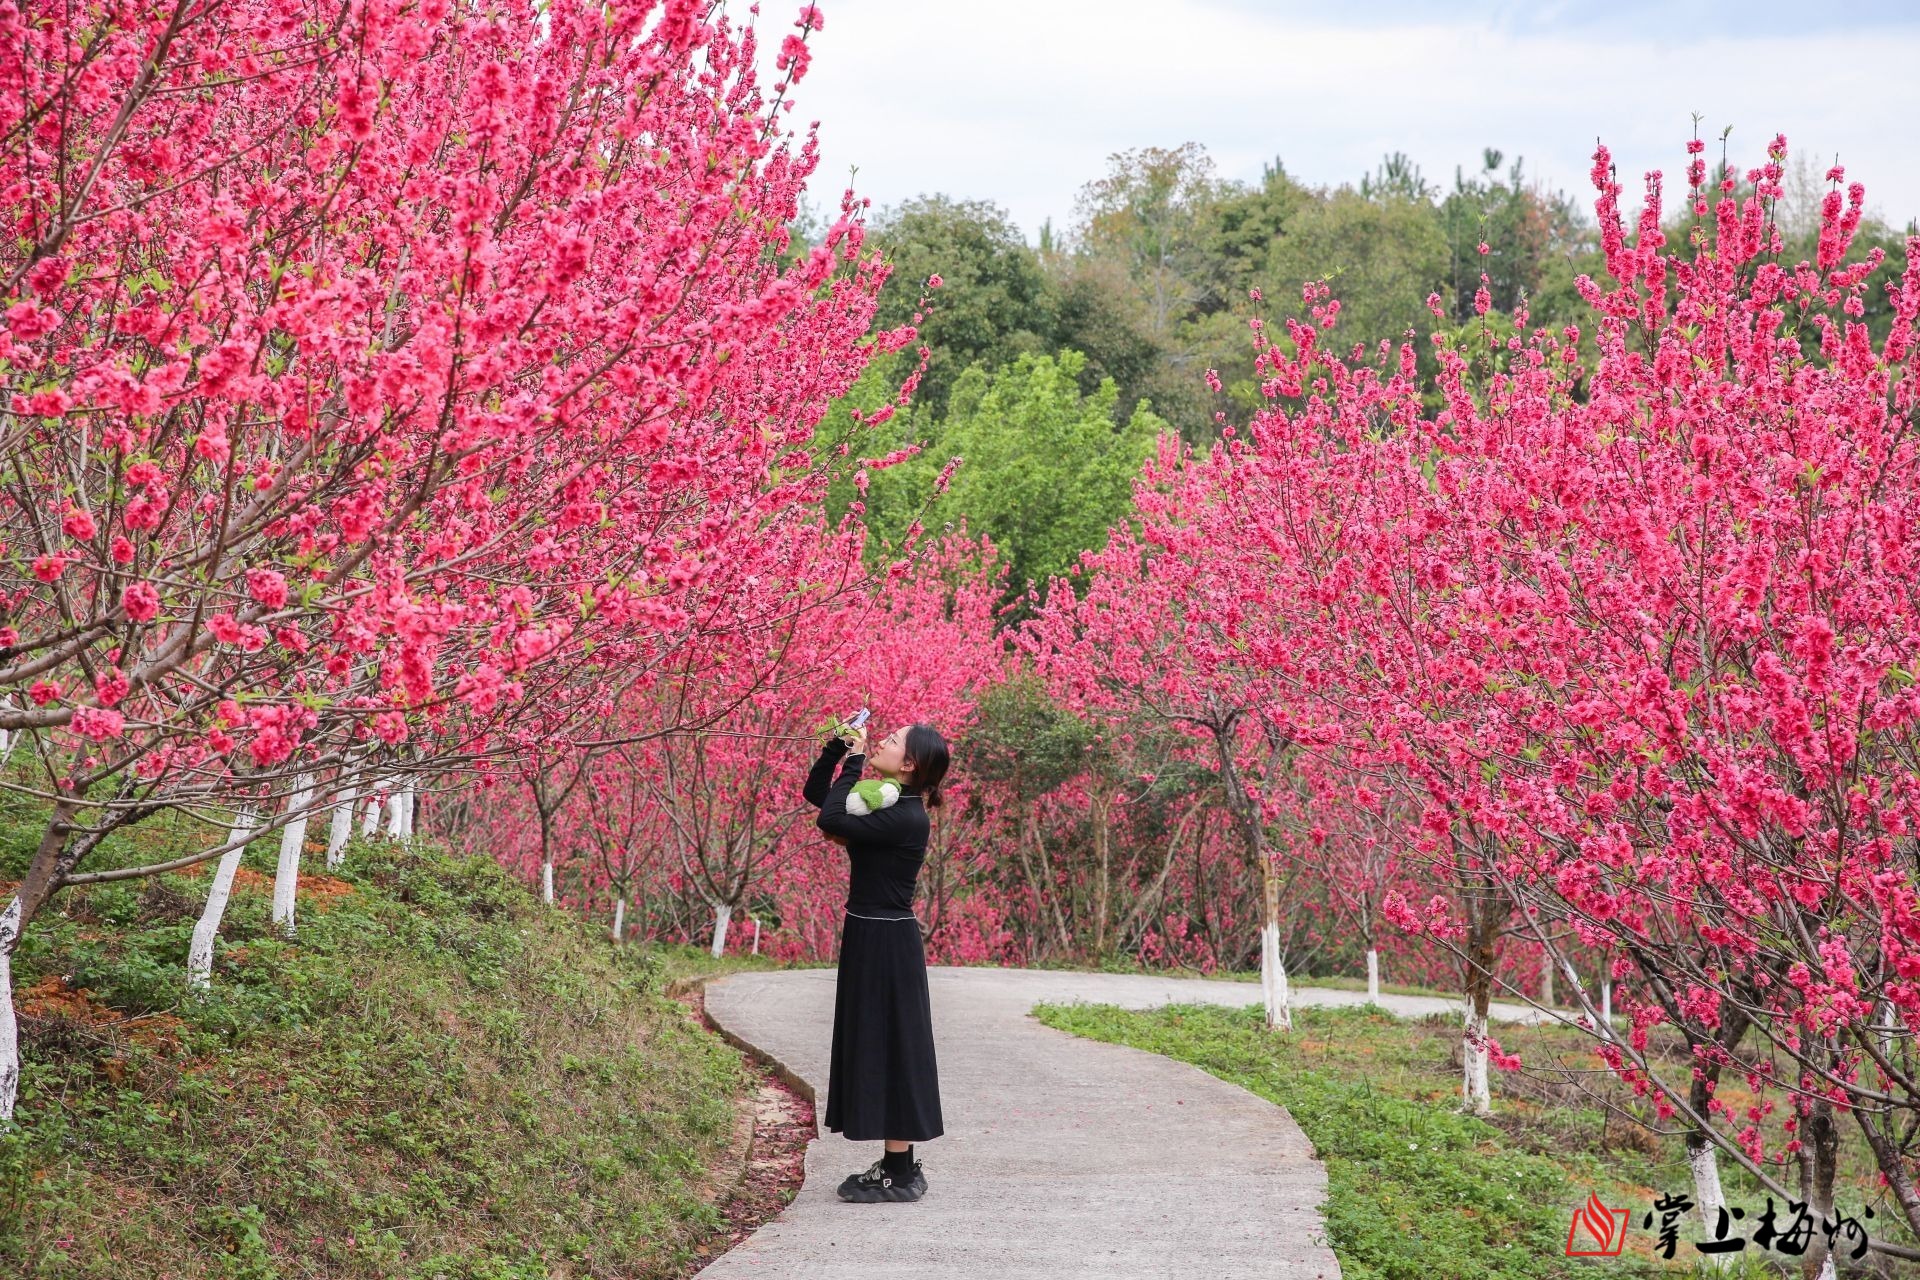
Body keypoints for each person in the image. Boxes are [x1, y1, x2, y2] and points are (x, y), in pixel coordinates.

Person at [802, 718, 951, 1203]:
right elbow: (819, 797)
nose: (882, 740)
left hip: (888, 942)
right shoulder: (888, 799)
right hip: (869, 934)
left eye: (891, 742)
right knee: (877, 1042)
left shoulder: (907, 816)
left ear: (909, 765)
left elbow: (830, 820)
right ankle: (897, 1166)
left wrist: (854, 761)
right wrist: (839, 748)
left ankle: (901, 1173)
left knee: (896, 1047)